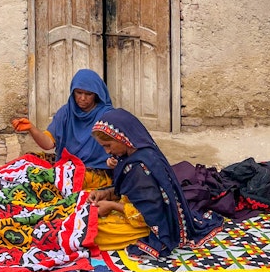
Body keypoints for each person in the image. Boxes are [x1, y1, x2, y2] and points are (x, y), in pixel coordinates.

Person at [89, 108, 222, 257]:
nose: (107, 152)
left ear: (122, 138)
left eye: (108, 145)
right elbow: (127, 190)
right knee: (87, 212)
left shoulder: (141, 168)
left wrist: (112, 206)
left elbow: (151, 214)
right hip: (133, 211)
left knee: (95, 232)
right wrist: (105, 193)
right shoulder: (129, 156)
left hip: (151, 225)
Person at [12, 69, 114, 190]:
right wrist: (31, 128)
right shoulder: (66, 112)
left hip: (94, 171)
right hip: (67, 165)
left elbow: (119, 148)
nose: (82, 98)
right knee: (26, 162)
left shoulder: (107, 116)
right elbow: (48, 144)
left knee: (51, 181)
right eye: (78, 93)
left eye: (88, 94)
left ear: (96, 94)